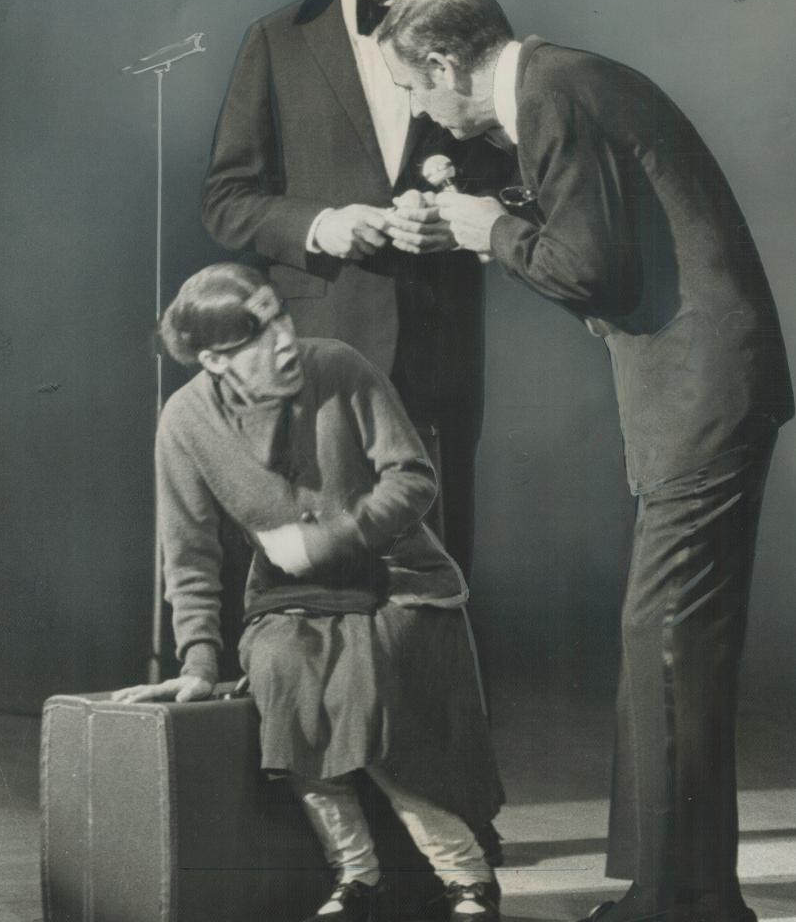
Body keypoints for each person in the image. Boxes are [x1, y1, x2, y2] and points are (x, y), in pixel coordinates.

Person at [376, 0, 795, 922]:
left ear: (445, 63)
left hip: (700, 390)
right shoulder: (563, 82)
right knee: (674, 642)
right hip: (704, 385)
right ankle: (690, 897)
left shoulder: (550, 95)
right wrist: (465, 228)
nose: (425, 113)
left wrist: (491, 228)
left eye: (415, 90)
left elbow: (591, 268)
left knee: (665, 642)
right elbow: (595, 234)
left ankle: (674, 903)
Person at [112, 263, 504, 922]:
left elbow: (414, 478)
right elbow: (189, 553)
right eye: (259, 335)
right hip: (289, 600)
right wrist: (200, 663)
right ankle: (357, 874)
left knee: (361, 679)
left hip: (398, 580)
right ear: (213, 359)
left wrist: (330, 539)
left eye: (281, 316)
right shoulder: (184, 422)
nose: (286, 339)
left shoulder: (341, 367)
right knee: (279, 671)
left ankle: (466, 874)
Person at [200, 0, 515, 581]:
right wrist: (322, 225)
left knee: (435, 571)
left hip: (439, 348)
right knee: (315, 569)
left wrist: (460, 221)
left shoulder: (474, 21)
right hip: (315, 356)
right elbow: (225, 199)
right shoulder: (275, 40)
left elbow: (517, 174)